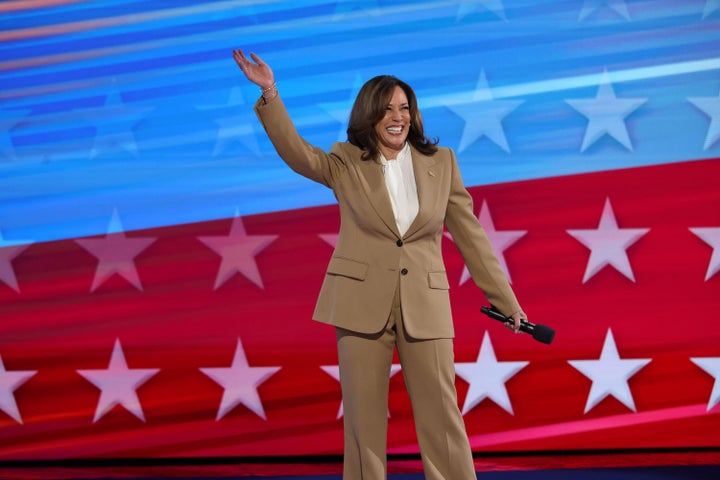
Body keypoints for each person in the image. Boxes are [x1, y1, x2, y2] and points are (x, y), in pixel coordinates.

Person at [233, 49, 528, 480]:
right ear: (369, 114)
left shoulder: (441, 163)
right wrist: (270, 93)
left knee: (443, 419)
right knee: (363, 425)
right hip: (360, 304)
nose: (398, 116)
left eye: (405, 108)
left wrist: (507, 303)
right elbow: (298, 155)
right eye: (388, 108)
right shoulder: (346, 161)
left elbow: (471, 237)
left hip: (425, 305)